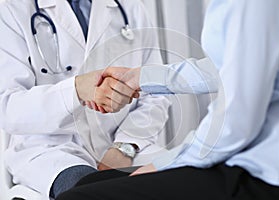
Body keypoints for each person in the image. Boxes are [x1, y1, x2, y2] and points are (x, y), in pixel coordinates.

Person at [57, 0, 279, 199]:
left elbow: (236, 122)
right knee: (89, 183)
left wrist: (165, 163)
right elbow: (232, 67)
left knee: (79, 198)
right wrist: (140, 78)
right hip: (253, 153)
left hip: (274, 170)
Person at [0, 0, 170, 198]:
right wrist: (76, 90)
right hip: (52, 152)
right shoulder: (12, 9)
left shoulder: (130, 6)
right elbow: (8, 106)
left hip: (126, 144)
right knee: (92, 192)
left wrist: (125, 147)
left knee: (182, 182)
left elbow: (156, 94)